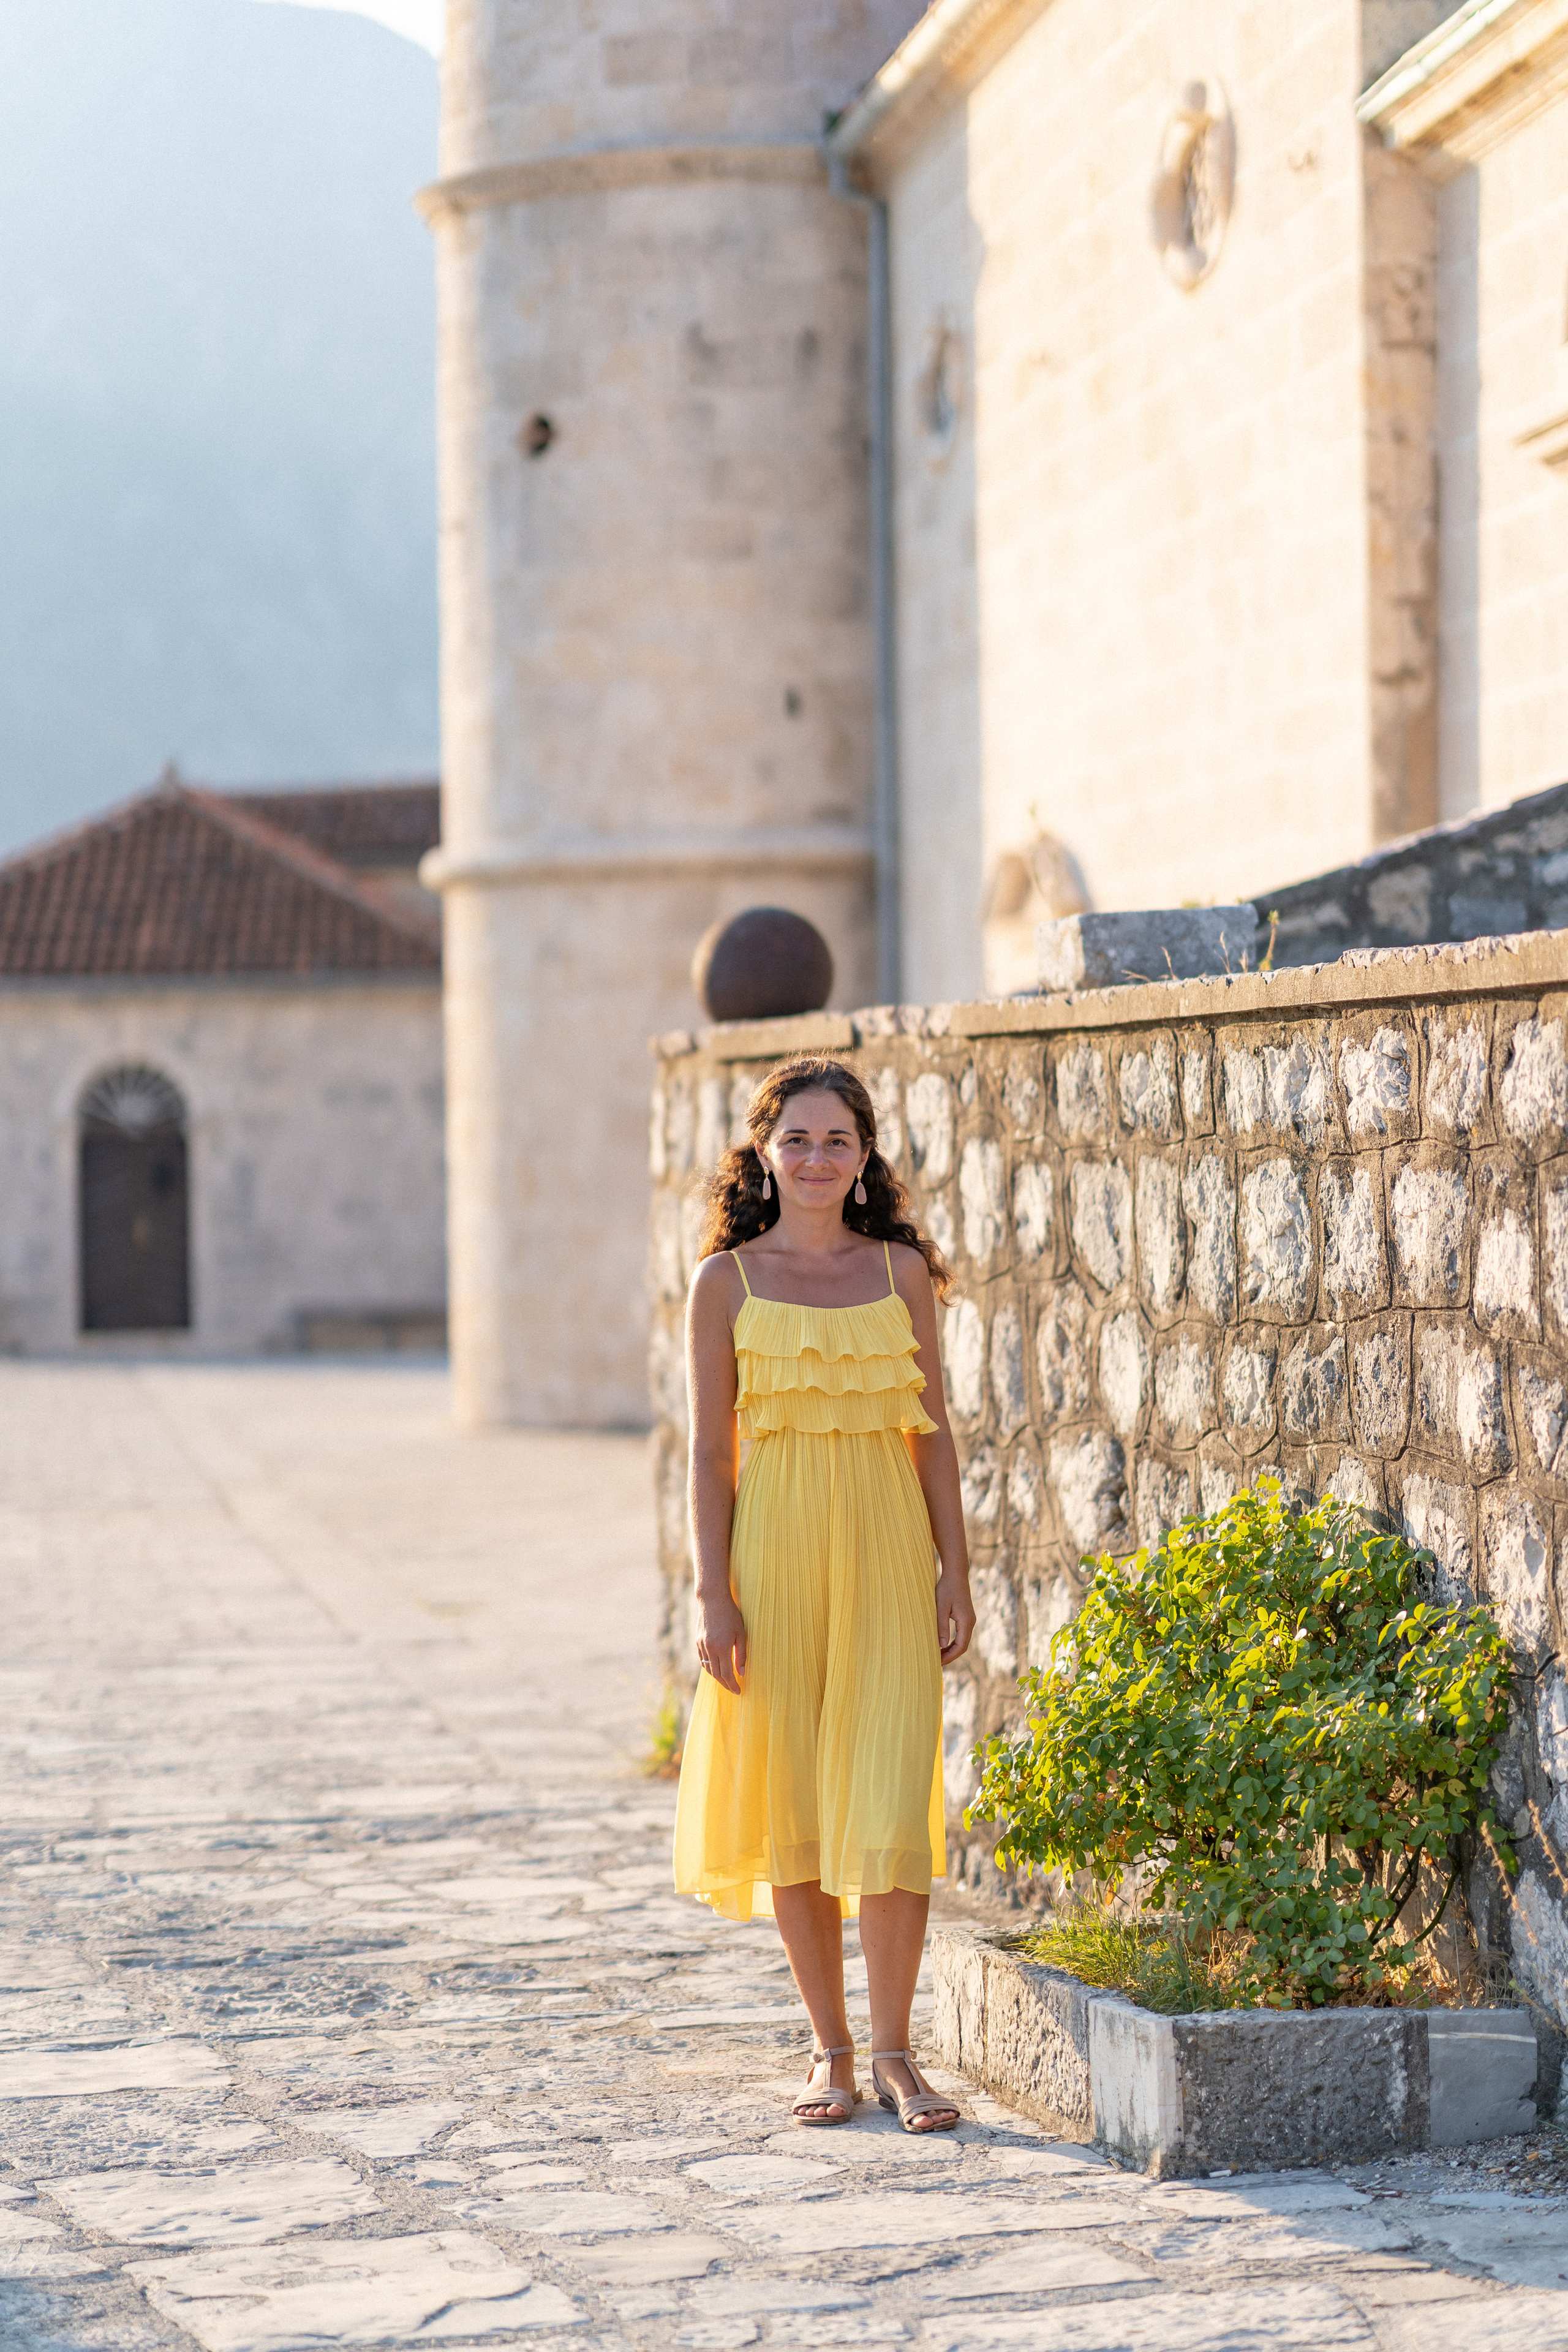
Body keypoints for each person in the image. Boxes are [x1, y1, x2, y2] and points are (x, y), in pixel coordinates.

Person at [673, 1055, 976, 2132]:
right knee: (795, 1801)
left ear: (864, 1157)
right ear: (764, 1152)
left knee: (892, 1796)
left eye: (835, 1140)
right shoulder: (726, 1284)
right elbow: (711, 1457)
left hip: (890, 1554)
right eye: (794, 1139)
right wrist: (715, 1595)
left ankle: (898, 2053)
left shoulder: (899, 1275)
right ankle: (833, 2052)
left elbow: (931, 1433)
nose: (814, 1157)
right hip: (775, 1561)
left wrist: (958, 1568)